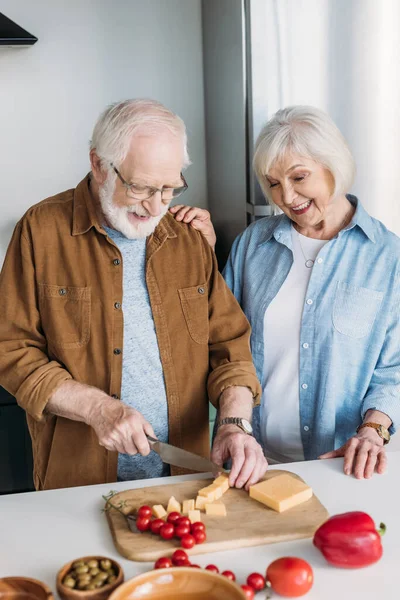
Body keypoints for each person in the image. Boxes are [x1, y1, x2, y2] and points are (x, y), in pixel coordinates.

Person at [0, 99, 267, 491]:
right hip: (78, 482)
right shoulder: (40, 231)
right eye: (140, 187)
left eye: (170, 189)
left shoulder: (188, 237)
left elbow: (230, 347)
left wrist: (234, 425)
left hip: (187, 481)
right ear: (98, 164)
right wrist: (98, 409)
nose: (156, 205)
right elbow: (11, 349)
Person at [170, 105, 400, 480]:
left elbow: (394, 370)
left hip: (340, 466)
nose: (286, 196)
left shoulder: (388, 257)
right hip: (250, 460)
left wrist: (373, 431)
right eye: (273, 183)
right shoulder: (253, 245)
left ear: (333, 165)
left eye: (299, 177)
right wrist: (203, 256)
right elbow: (217, 337)